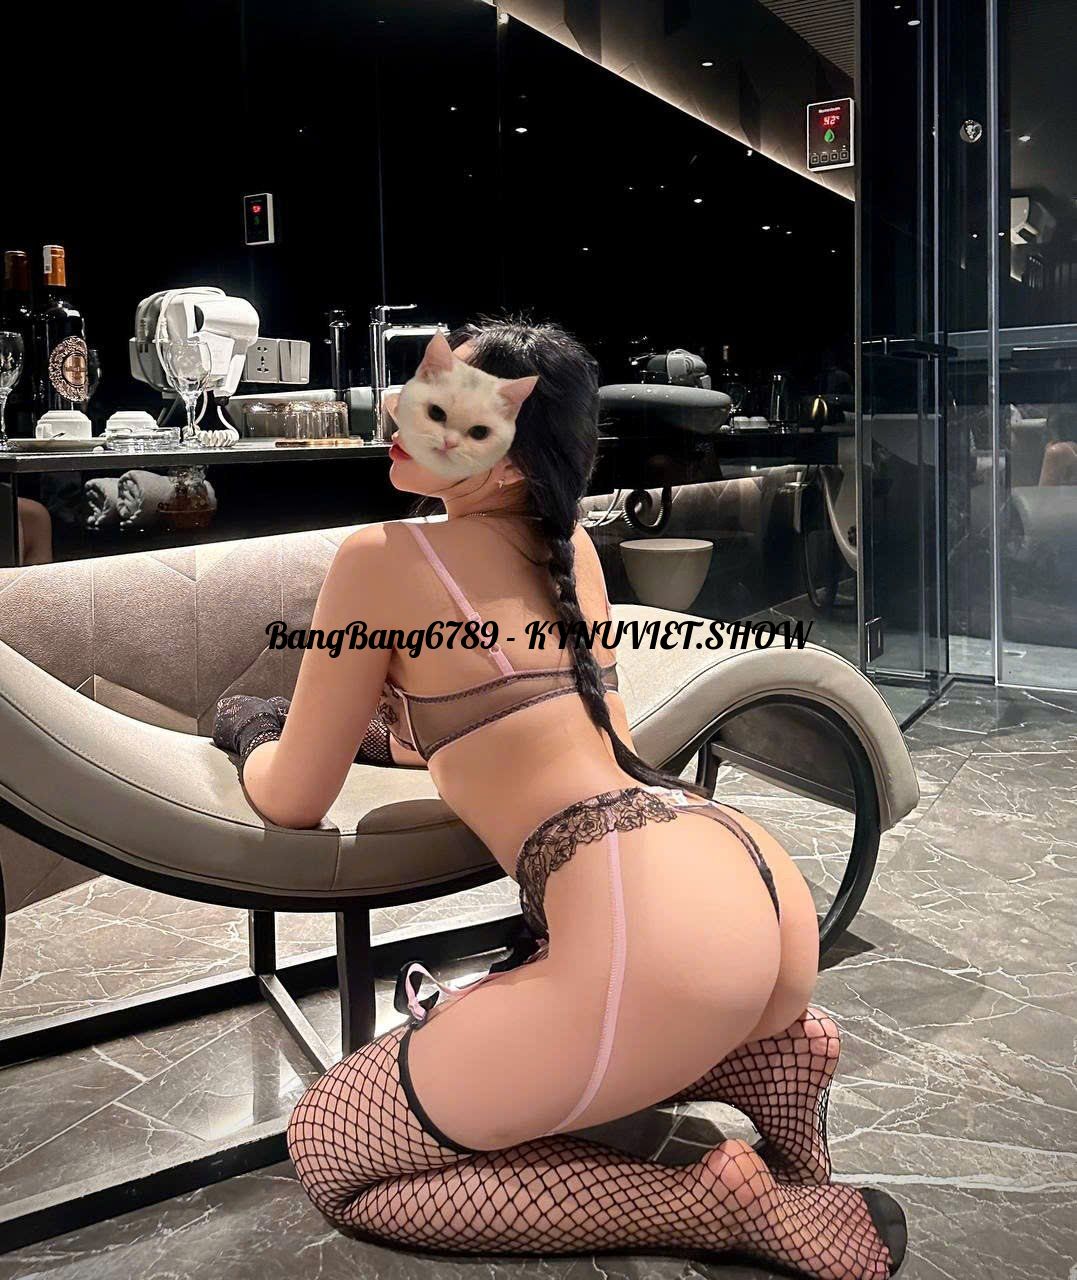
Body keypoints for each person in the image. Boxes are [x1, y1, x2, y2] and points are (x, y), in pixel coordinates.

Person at [211, 317, 905, 1277]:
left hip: (647, 937)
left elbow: (293, 797)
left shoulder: (380, 560)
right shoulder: (568, 547)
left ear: (504, 460)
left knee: (333, 1148)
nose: (402, 412)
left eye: (442, 407)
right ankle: (766, 1058)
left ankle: (714, 1205)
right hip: (743, 880)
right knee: (609, 1026)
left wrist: (249, 732)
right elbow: (508, 726)